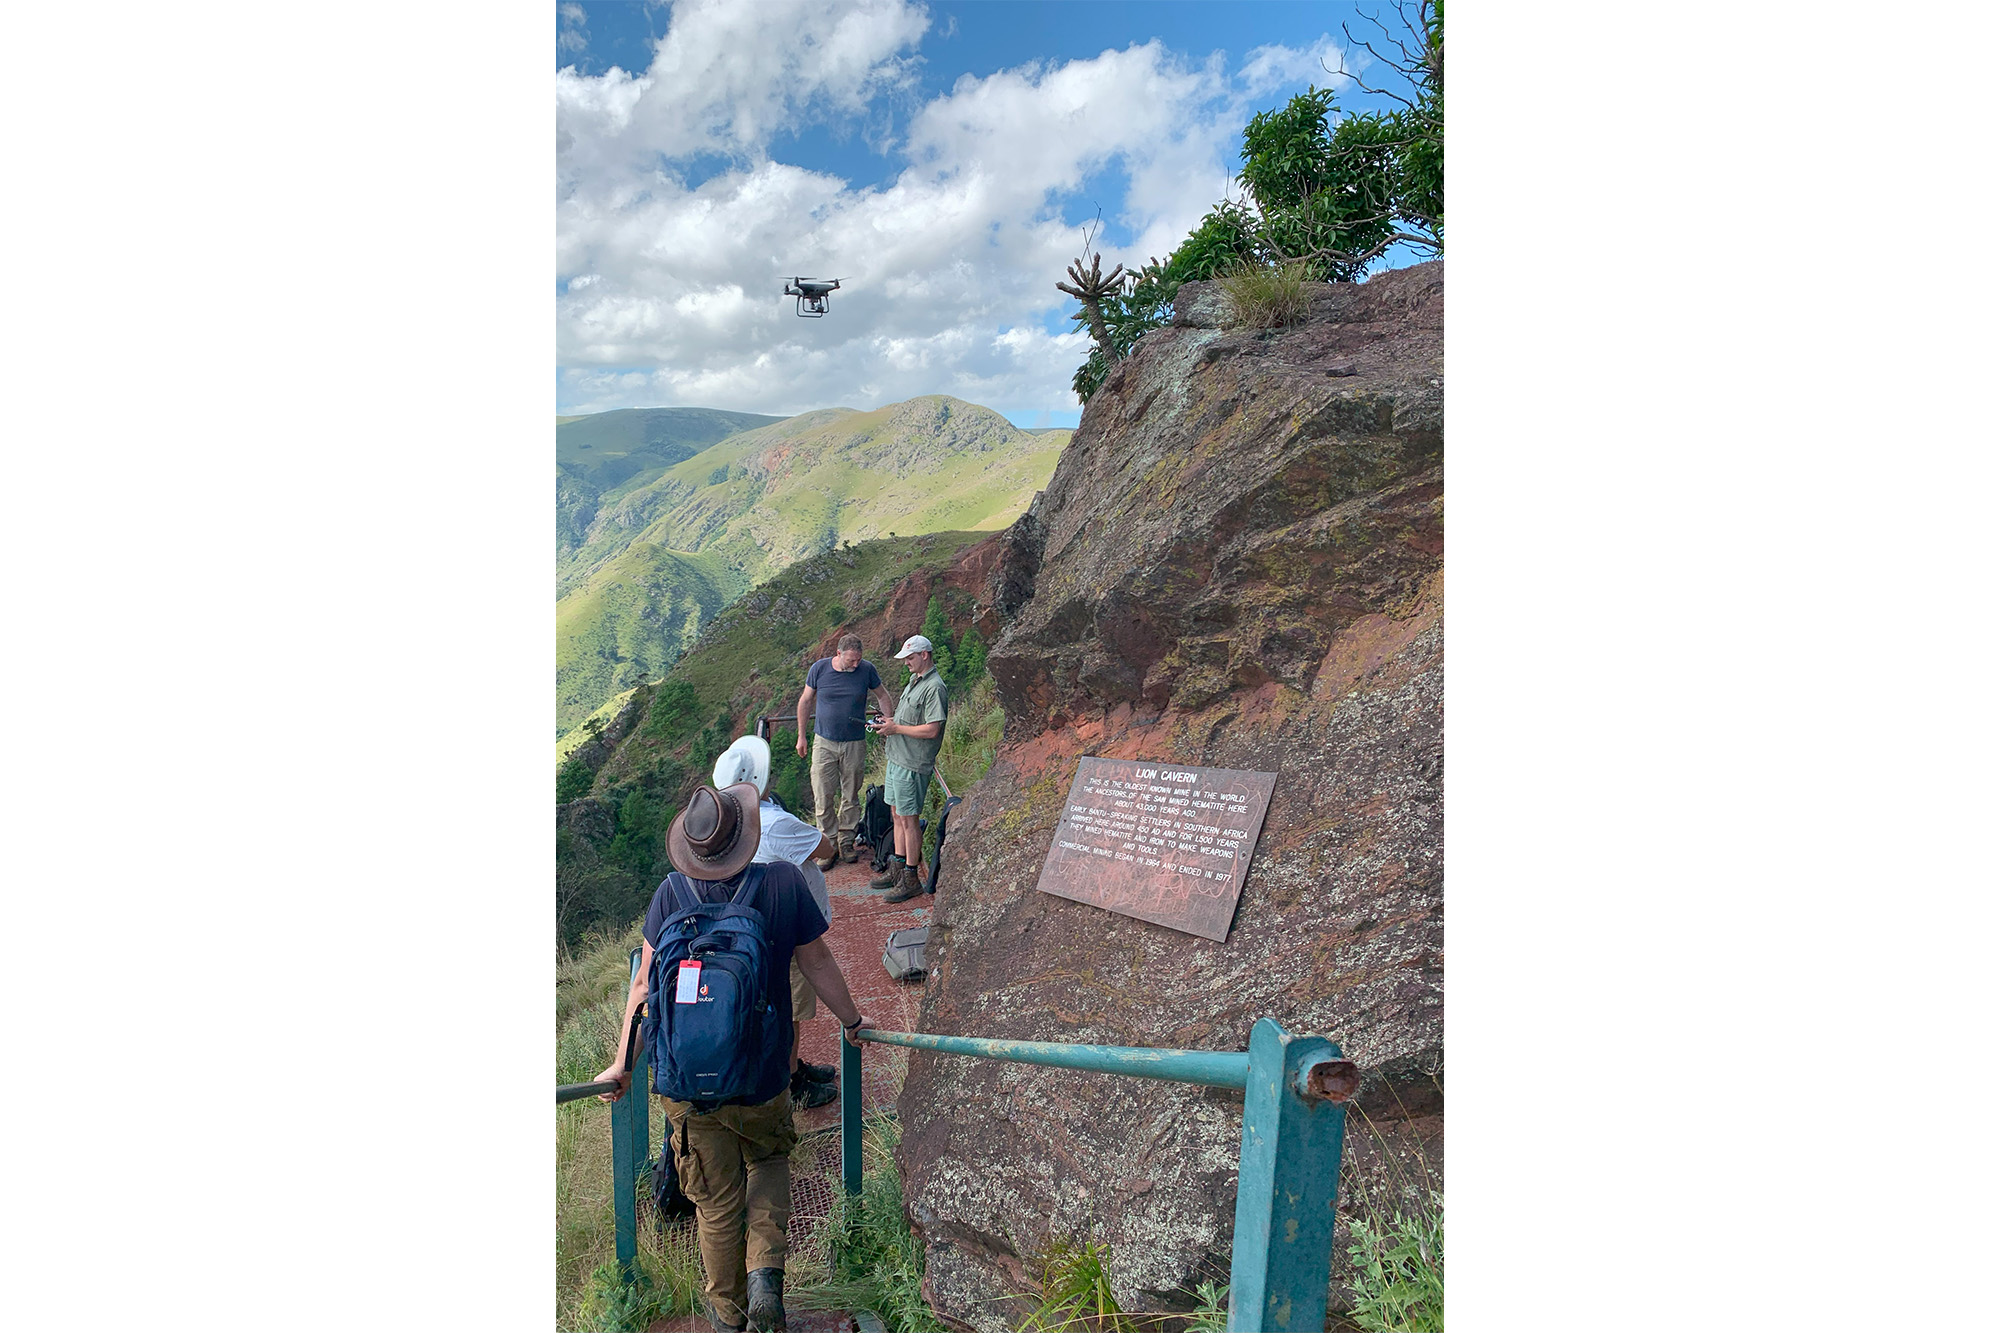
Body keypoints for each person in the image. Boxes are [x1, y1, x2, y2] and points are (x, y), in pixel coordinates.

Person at [594, 781, 872, 1333]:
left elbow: (644, 990)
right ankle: (766, 1275)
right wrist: (853, 1021)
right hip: (763, 1073)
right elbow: (816, 963)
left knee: (716, 1205)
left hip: (686, 1086)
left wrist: (622, 1063)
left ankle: (727, 1315)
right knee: (768, 1162)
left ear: (691, 847)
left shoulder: (670, 895)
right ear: (745, 835)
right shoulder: (782, 883)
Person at [712, 735, 838, 1110]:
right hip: (789, 929)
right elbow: (826, 848)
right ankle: (791, 1083)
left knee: (781, 1007)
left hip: (753, 927)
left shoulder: (729, 823)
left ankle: (794, 1066)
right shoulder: (776, 822)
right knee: (792, 1010)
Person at [794, 634, 894, 868]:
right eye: (851, 660)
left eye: (858, 660)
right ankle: (828, 847)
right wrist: (801, 736)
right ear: (838, 654)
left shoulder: (867, 670)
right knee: (822, 794)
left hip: (854, 742)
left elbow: (883, 695)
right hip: (824, 741)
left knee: (851, 793)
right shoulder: (819, 669)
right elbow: (805, 701)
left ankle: (846, 842)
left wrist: (889, 722)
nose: (855, 664)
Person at [868, 634, 948, 905]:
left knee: (909, 818)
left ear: (925, 655)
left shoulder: (934, 687)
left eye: (910, 658)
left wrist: (895, 728)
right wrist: (890, 722)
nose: (906, 664)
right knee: (897, 814)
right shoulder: (916, 682)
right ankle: (898, 867)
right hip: (898, 757)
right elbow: (909, 719)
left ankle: (911, 878)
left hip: (913, 763)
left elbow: (932, 729)